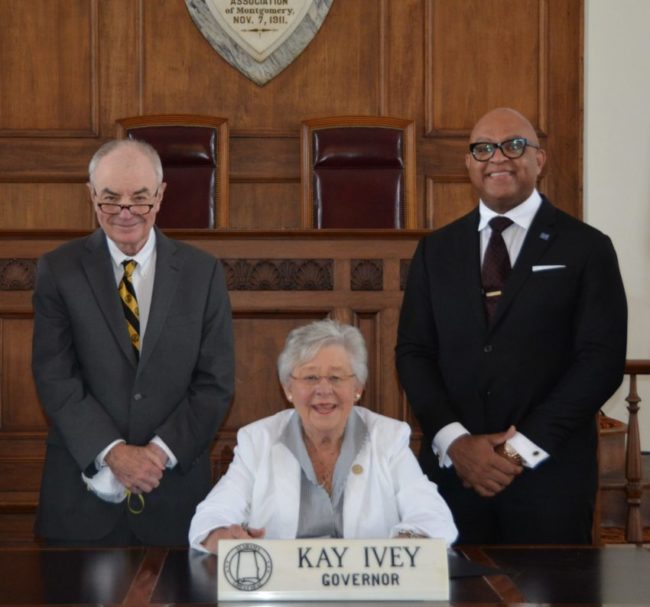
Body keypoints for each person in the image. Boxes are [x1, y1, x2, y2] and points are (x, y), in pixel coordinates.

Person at [395, 107, 627, 545]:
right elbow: (413, 353)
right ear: (468, 164)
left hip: (549, 478)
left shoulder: (587, 248)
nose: (497, 158)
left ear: (540, 159)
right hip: (453, 478)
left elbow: (601, 362)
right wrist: (457, 444)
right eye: (483, 148)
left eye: (513, 145)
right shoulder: (434, 251)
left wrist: (515, 452)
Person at [31, 139, 235, 546]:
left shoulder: (203, 272)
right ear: (91, 196)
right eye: (110, 200)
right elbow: (54, 376)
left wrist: (157, 454)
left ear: (160, 197)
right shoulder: (58, 269)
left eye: (139, 199)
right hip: (80, 503)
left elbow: (216, 383)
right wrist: (113, 453)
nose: (126, 213)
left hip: (174, 498)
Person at [189, 319, 457, 553]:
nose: (324, 390)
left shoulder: (388, 437)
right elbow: (211, 515)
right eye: (310, 377)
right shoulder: (258, 440)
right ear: (288, 388)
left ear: (358, 387)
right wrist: (222, 536)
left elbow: (434, 516)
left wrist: (405, 543)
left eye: (337, 378)